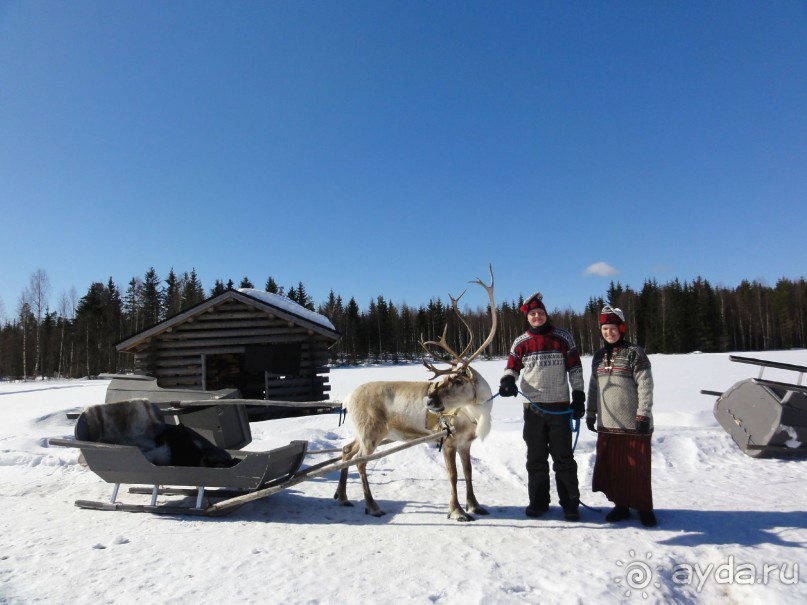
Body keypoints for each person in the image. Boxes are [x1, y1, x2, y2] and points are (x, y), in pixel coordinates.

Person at [498, 292, 586, 521]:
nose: (537, 317)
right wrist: (508, 381)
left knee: (563, 459)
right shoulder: (521, 342)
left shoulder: (562, 337)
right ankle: (538, 502)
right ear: (527, 318)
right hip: (533, 408)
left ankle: (570, 504)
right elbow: (512, 367)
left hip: (560, 407)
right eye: (533, 314)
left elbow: (575, 369)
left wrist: (579, 396)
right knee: (535, 459)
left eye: (541, 313)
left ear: (546, 314)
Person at [586, 305, 657, 528]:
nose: (609, 332)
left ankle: (644, 508)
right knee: (615, 468)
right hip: (607, 423)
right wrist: (590, 413)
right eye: (605, 329)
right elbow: (593, 387)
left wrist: (643, 415)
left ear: (621, 329)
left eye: (613, 328)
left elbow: (646, 385)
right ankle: (621, 506)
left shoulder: (635, 353)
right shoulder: (598, 356)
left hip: (634, 424)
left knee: (637, 468)